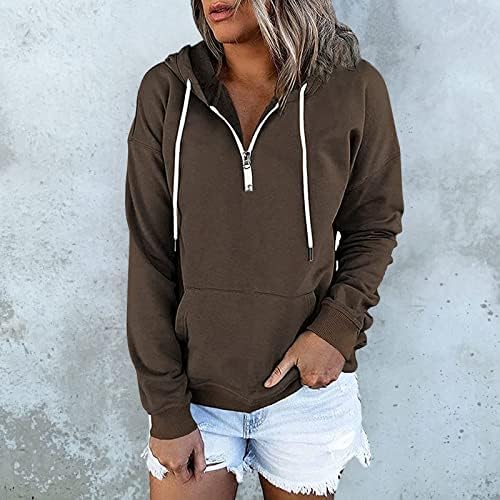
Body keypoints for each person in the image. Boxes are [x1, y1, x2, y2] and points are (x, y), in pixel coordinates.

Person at [125, 0, 404, 498]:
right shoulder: (168, 91)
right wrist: (166, 407)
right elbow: (149, 253)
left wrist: (336, 328)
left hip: (306, 389)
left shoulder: (354, 88)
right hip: (193, 393)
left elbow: (374, 225)